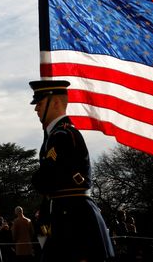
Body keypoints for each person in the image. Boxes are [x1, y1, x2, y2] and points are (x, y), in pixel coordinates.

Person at [29, 79, 114, 262]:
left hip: (74, 218)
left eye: (40, 103)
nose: (36, 109)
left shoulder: (63, 135)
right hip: (64, 214)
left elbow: (46, 179)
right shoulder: (54, 136)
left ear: (57, 103)